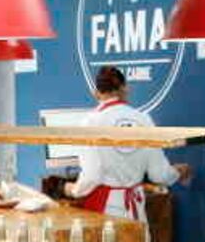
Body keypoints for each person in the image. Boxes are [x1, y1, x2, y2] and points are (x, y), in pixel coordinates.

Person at [65, 66, 191, 227]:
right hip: (136, 209)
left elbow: (92, 175)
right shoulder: (144, 120)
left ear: (95, 93)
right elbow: (159, 175)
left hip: (104, 211)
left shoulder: (90, 123)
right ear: (125, 89)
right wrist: (178, 172)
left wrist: (73, 189)